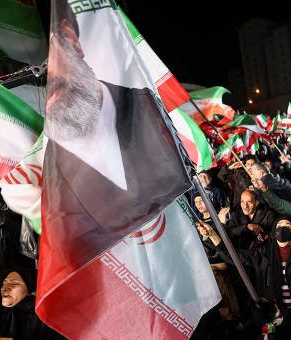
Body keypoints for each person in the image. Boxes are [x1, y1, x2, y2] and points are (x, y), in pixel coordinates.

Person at [43, 1, 191, 273]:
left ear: (73, 40)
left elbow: (184, 192)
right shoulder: (47, 169)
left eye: (50, 62)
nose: (47, 78)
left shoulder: (148, 112)